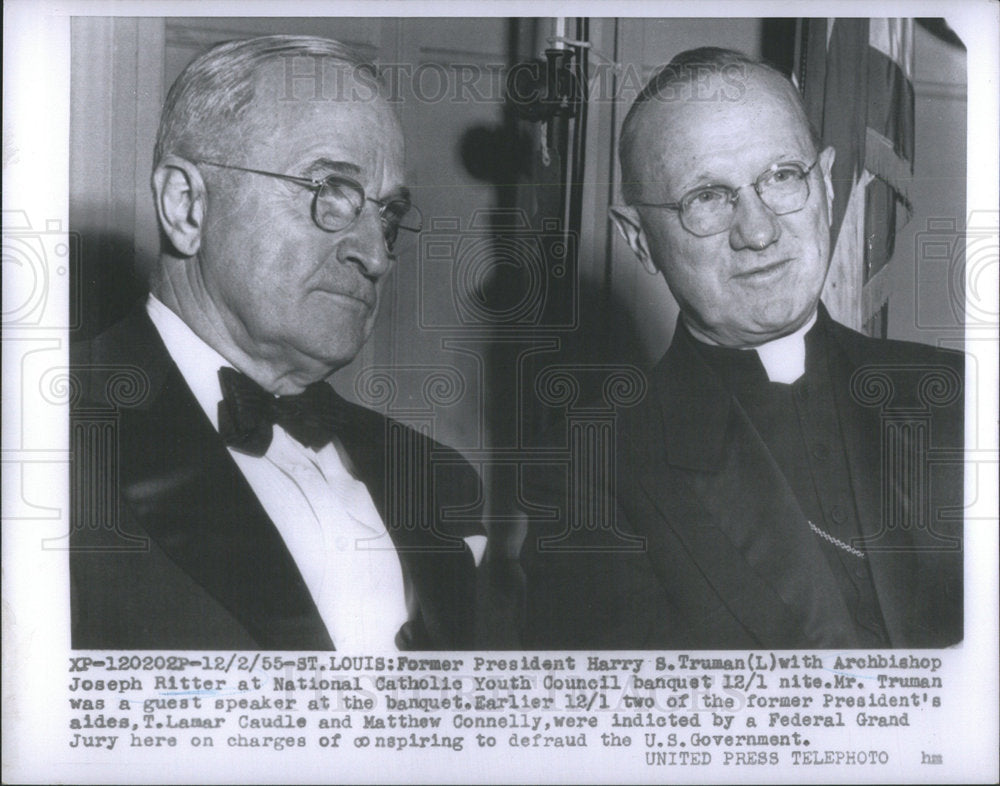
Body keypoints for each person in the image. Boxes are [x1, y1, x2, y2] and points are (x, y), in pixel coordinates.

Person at [522, 47, 963, 649]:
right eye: (707, 196)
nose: (758, 231)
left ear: (826, 185)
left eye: (782, 177)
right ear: (639, 239)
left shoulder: (963, 397)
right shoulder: (590, 473)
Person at [70, 36, 485, 650]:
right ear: (186, 207)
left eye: (389, 216)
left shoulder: (437, 479)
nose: (375, 256)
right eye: (328, 193)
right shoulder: (46, 438)